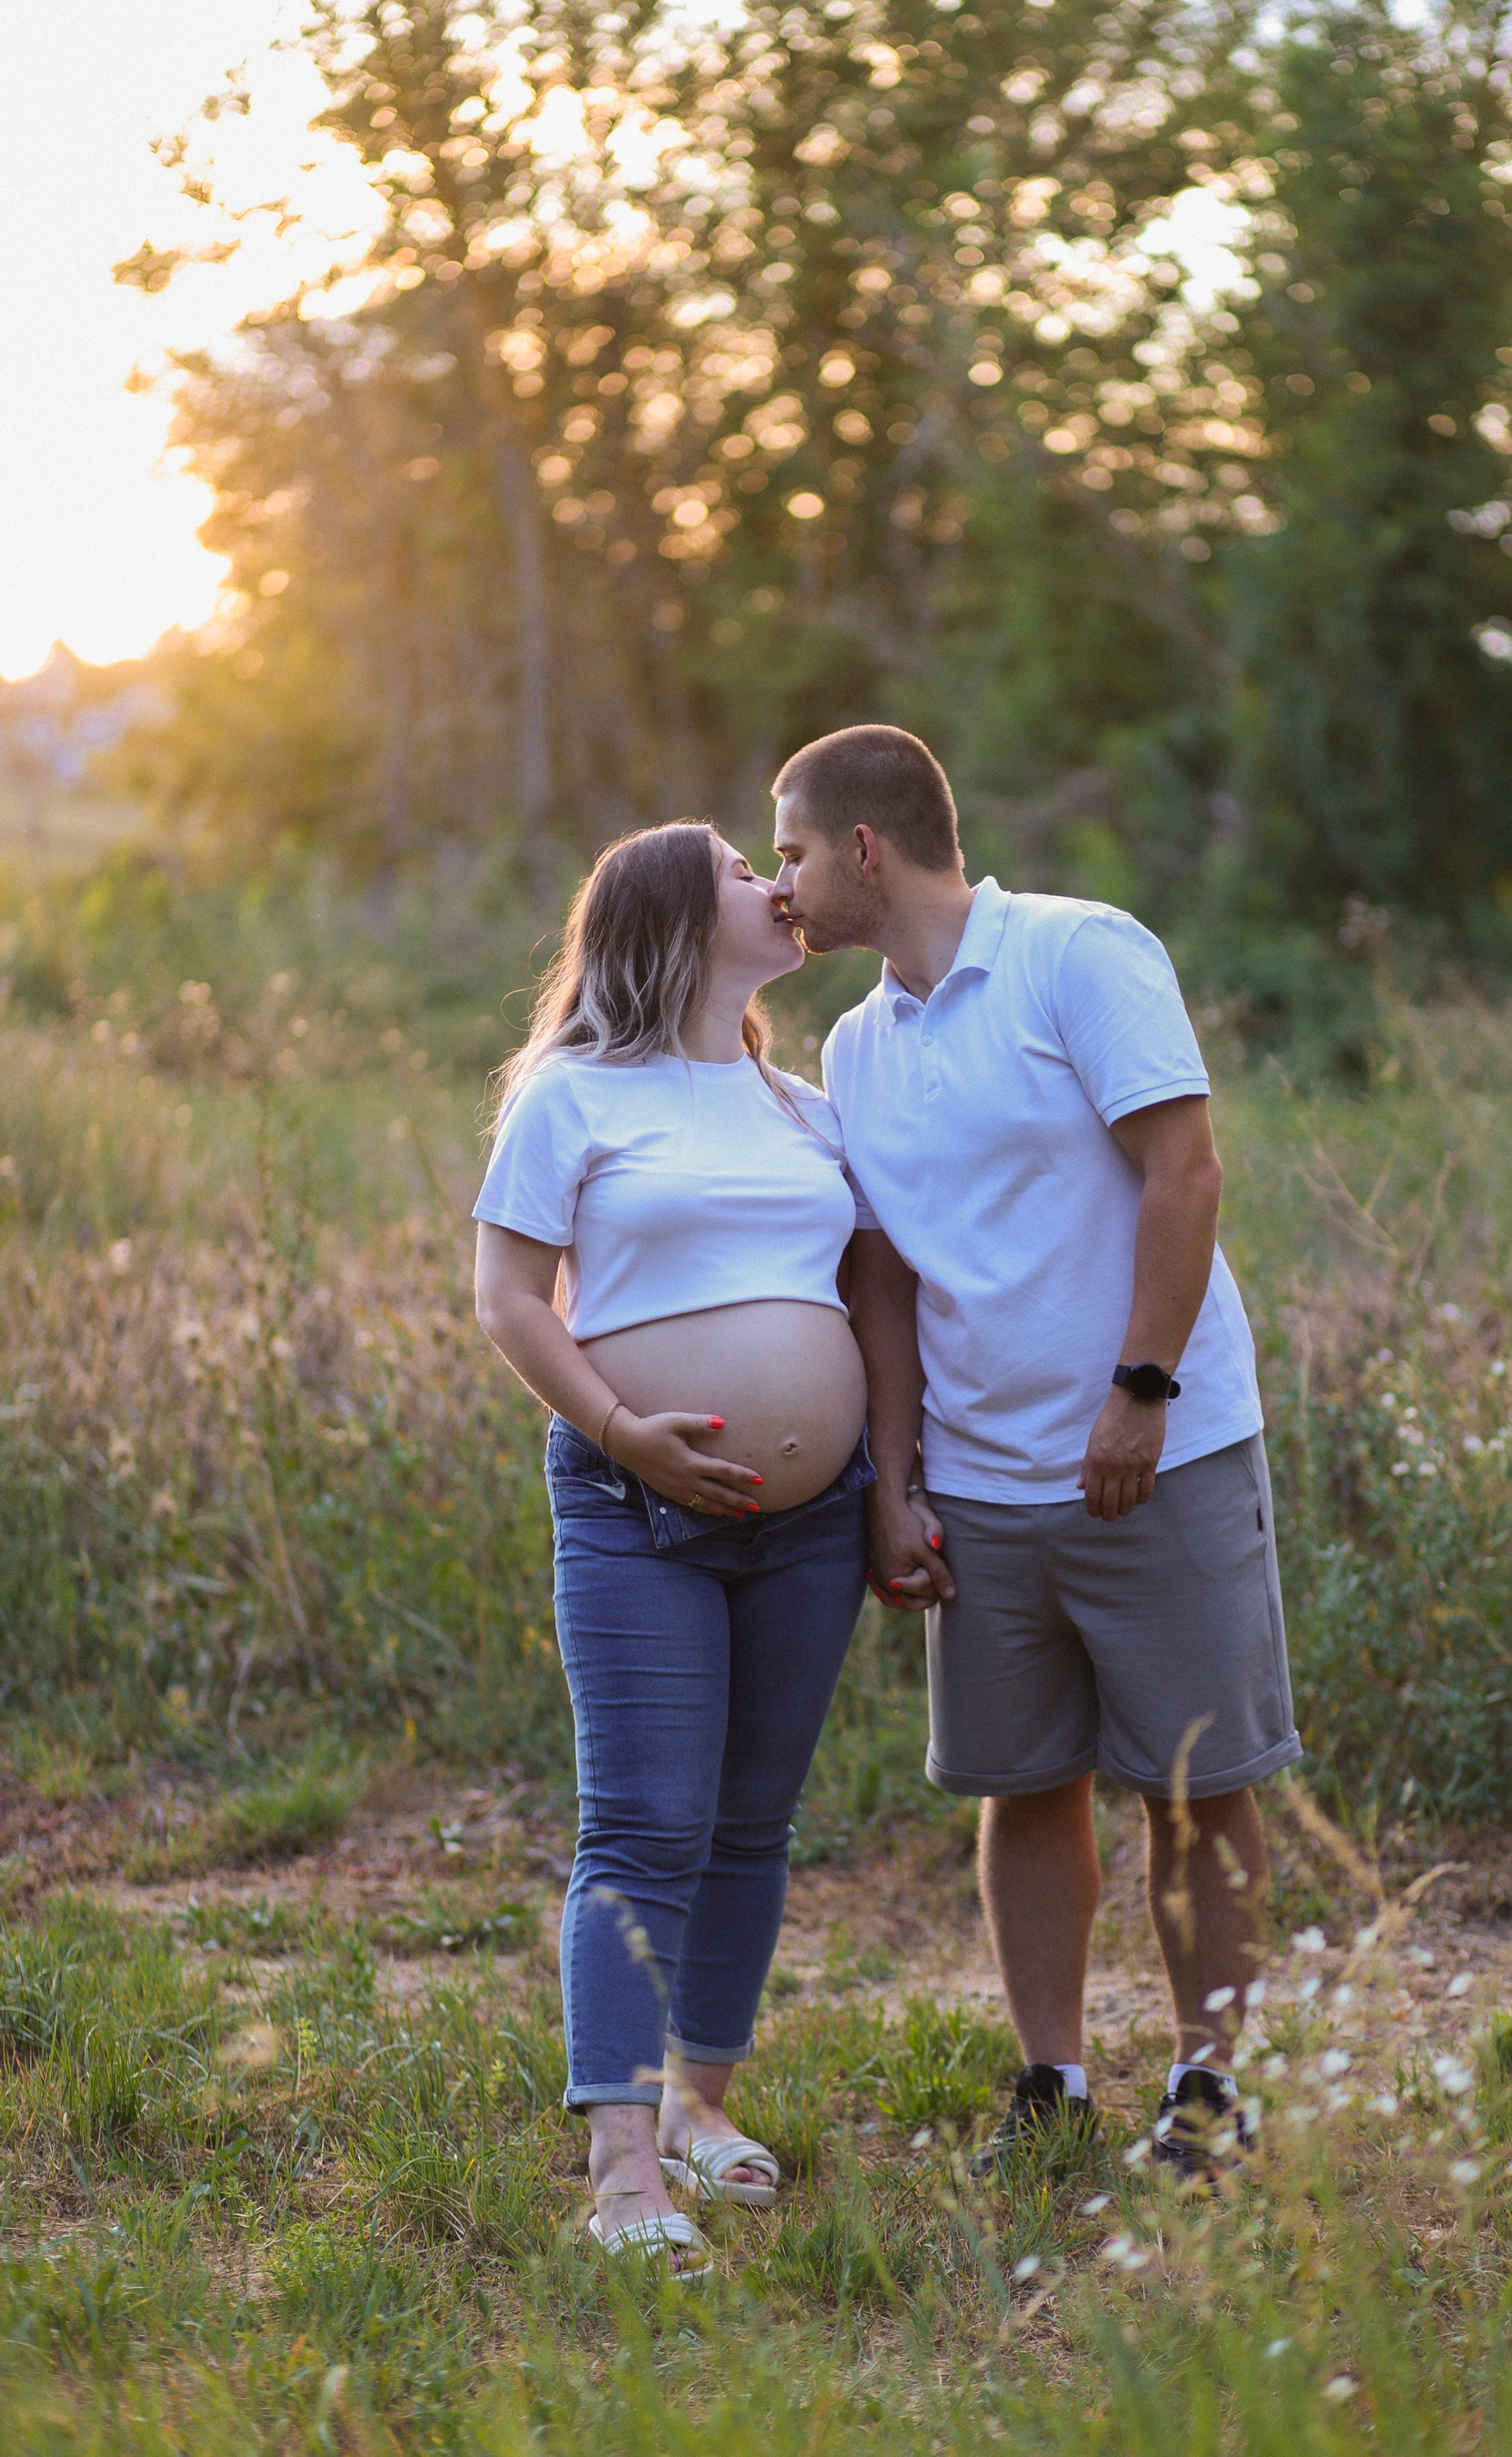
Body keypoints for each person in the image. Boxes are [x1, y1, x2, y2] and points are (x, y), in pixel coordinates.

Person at [770, 726, 1301, 2182]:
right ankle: (1052, 2081)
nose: (782, 884)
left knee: (1196, 1784)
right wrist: (894, 1478)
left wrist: (1140, 1388)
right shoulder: (856, 1043)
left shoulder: (1081, 954)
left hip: (1158, 1455)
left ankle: (1206, 2085)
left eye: (793, 852)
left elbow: (1183, 1169)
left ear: (863, 850)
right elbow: (881, 1281)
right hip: (982, 1487)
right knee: (1024, 1784)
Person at [472, 822, 873, 2273]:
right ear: (666, 915)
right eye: (734, 862)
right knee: (641, 1826)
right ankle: (623, 2165)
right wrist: (622, 1430)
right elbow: (512, 1299)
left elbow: (865, 1304)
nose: (775, 880)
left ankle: (702, 2101)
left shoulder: (806, 1107)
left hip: (813, 1517)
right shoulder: (573, 1096)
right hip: (631, 1503)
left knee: (751, 1822)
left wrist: (886, 1489)